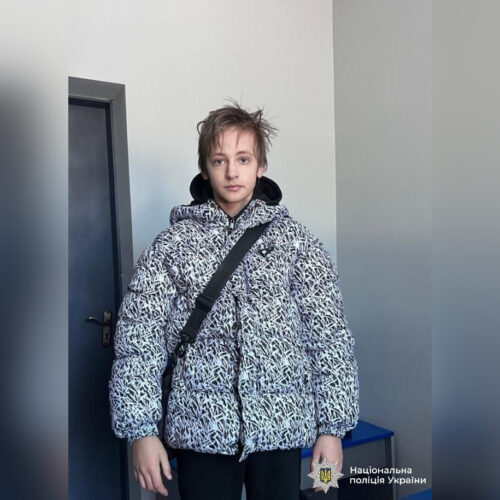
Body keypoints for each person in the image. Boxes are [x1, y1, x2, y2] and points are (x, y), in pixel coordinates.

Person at [108, 100, 360, 499]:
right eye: (219, 160)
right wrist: (141, 431)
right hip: (202, 428)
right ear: (204, 170)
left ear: (261, 166)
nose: (232, 172)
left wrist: (333, 428)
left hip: (281, 426)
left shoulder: (296, 243)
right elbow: (139, 339)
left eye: (243, 159)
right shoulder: (171, 245)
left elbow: (329, 338)